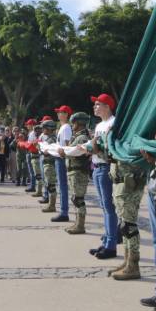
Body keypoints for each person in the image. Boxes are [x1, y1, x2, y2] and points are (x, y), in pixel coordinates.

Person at [87, 94, 119, 259]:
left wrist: (96, 148)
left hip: (106, 166)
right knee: (104, 207)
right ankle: (107, 239)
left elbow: (111, 148)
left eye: (98, 104)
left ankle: (111, 245)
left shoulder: (113, 123)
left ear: (107, 106)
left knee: (109, 207)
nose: (95, 107)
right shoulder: (100, 125)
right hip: (97, 165)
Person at [59, 112, 91, 233]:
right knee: (75, 198)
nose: (72, 125)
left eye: (74, 123)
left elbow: (76, 152)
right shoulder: (77, 136)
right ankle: (77, 223)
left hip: (79, 172)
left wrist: (65, 153)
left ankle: (80, 225)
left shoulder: (82, 138)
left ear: (78, 123)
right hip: (74, 171)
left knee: (78, 199)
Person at [52, 105, 73, 221]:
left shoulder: (66, 128)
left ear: (66, 114)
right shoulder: (62, 127)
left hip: (62, 159)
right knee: (61, 185)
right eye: (58, 112)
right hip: (58, 158)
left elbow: (66, 145)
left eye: (60, 112)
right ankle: (63, 210)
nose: (58, 114)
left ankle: (64, 212)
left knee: (63, 186)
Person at [23, 119, 38, 192]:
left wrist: (25, 144)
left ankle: (33, 186)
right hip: (29, 152)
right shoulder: (31, 133)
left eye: (28, 124)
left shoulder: (33, 133)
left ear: (32, 125)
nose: (27, 126)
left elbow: (32, 143)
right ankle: (32, 185)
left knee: (32, 171)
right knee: (31, 171)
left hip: (31, 152)